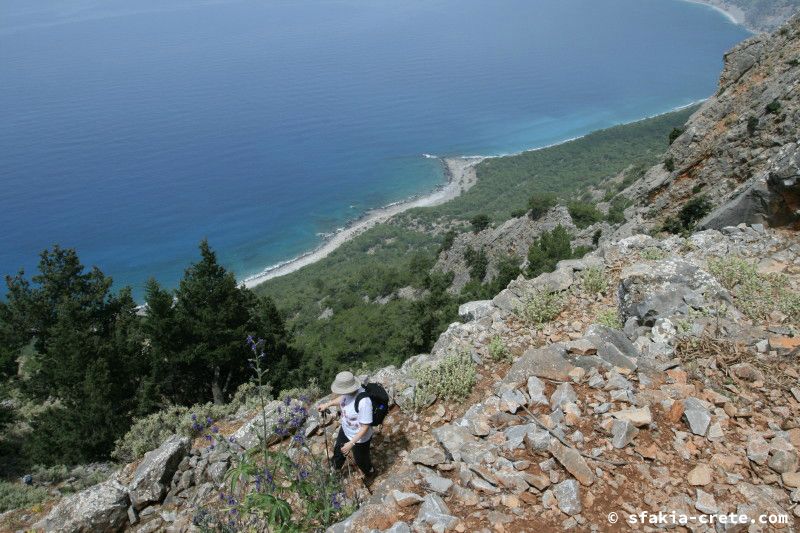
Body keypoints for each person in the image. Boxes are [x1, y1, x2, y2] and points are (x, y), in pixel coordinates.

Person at [317, 371, 375, 479]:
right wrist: (327, 404)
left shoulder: (364, 401)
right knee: (338, 451)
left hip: (360, 438)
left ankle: (370, 472)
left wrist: (351, 443)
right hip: (346, 429)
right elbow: (343, 398)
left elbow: (365, 427)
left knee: (361, 460)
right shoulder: (348, 392)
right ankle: (335, 469)